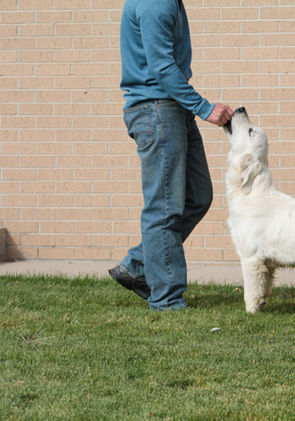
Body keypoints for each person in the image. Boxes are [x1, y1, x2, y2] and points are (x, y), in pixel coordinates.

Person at [109, 0, 233, 310]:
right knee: (164, 208)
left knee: (197, 196)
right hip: (156, 109)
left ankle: (138, 264)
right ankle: (166, 298)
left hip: (173, 108)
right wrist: (205, 108)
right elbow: (162, 67)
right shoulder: (156, 3)